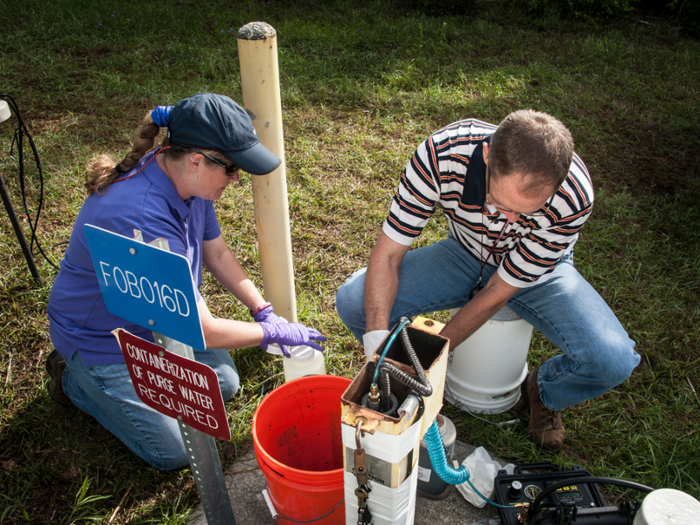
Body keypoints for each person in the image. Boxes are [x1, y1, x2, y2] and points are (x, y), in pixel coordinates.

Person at [46, 93, 325, 470]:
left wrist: (263, 310)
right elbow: (200, 329)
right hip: (104, 342)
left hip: (153, 323)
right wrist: (271, 335)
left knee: (224, 383)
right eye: (231, 169)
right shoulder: (140, 216)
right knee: (175, 452)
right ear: (196, 160)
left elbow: (217, 253)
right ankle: (74, 380)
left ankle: (129, 384)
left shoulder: (188, 181)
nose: (236, 178)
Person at [336, 110, 640, 451]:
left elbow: (498, 290)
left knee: (611, 360)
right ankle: (396, 370)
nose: (511, 220)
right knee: (353, 302)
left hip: (538, 273)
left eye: (527, 213)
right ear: (487, 156)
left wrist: (428, 364)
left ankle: (544, 391)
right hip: (465, 253)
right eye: (500, 202)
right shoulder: (441, 155)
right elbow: (388, 254)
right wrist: (377, 341)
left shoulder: (574, 194)